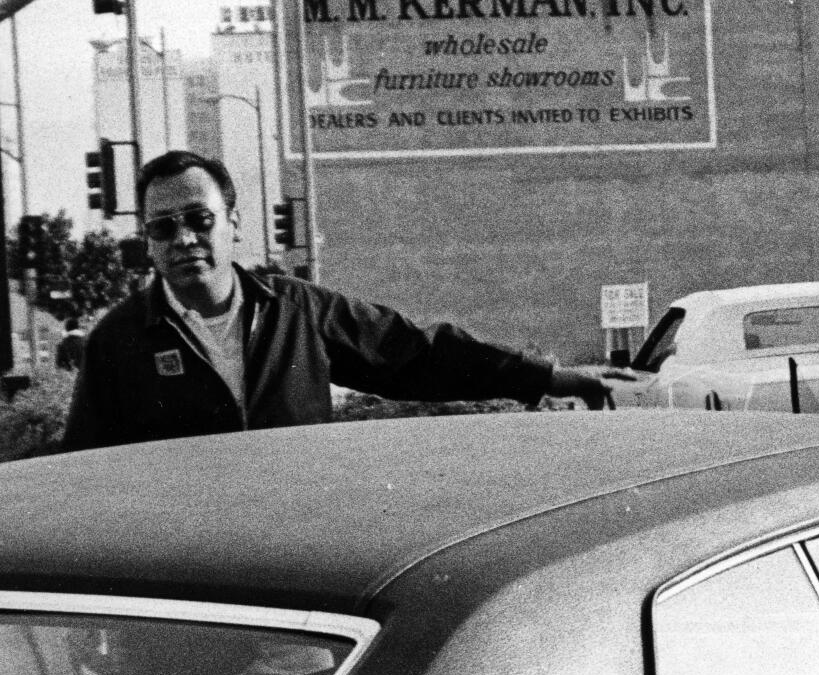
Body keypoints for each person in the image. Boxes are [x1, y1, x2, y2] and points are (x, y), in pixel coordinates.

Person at [62, 150, 626, 452]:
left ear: (232, 223)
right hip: (190, 591)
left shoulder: (297, 311)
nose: (183, 238)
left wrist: (549, 378)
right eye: (163, 227)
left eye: (198, 219)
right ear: (147, 242)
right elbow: (87, 469)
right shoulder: (119, 339)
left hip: (298, 564)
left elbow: (417, 355)